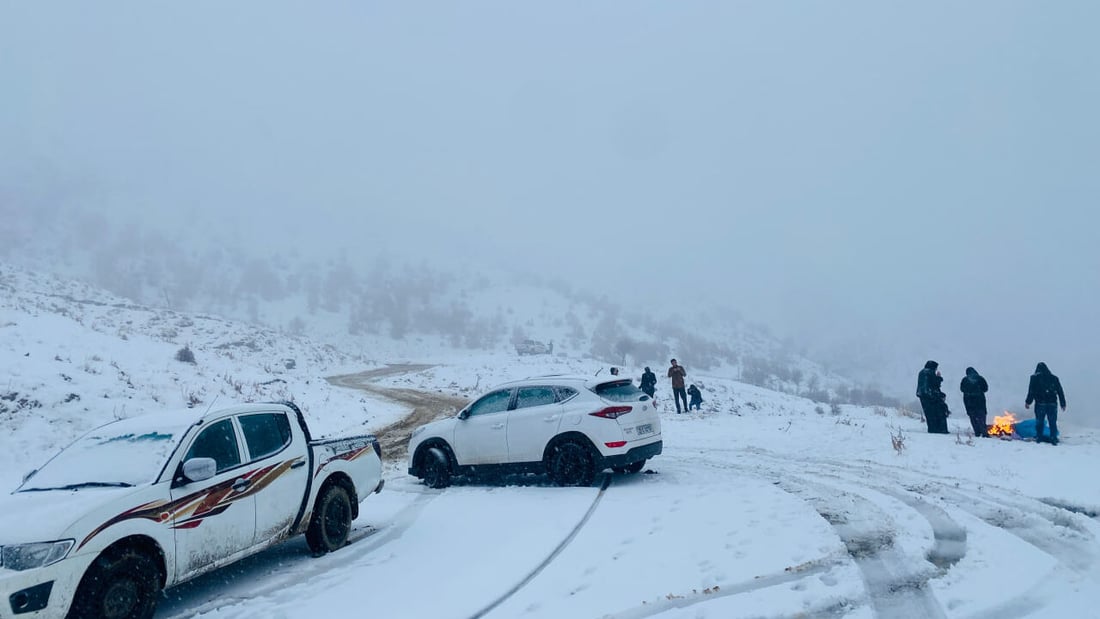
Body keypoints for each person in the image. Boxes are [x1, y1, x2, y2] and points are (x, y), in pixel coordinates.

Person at [1025, 362, 1066, 445]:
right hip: (1052, 404)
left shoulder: (1034, 378)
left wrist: (1028, 402)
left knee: (1039, 421)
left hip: (1040, 403)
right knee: (1052, 422)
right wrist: (1063, 403)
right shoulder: (1054, 378)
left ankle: (1039, 437)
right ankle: (1053, 438)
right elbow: (1060, 391)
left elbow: (1031, 391)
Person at [916, 360, 950, 434]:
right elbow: (934, 384)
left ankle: (932, 429)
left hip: (923, 396)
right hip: (931, 396)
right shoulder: (930, 372)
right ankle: (941, 430)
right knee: (939, 412)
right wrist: (939, 378)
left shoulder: (921, 372)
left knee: (929, 414)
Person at [959, 366, 989, 437]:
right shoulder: (980, 378)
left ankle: (977, 432)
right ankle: (984, 432)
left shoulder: (965, 380)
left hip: (969, 401)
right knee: (981, 416)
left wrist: (969, 393)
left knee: (973, 417)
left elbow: (962, 389)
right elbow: (985, 388)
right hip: (980, 400)